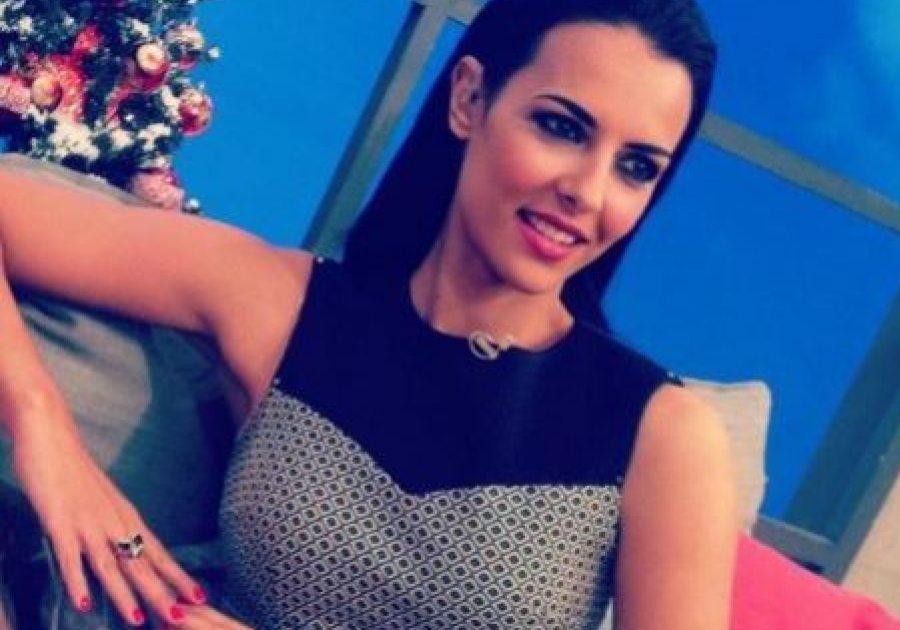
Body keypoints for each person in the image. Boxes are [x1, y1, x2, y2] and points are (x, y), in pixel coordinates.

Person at [0, 0, 737, 627]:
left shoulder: (663, 436)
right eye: (563, 128)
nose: (589, 191)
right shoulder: (289, 306)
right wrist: (46, 429)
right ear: (469, 99)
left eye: (636, 167)